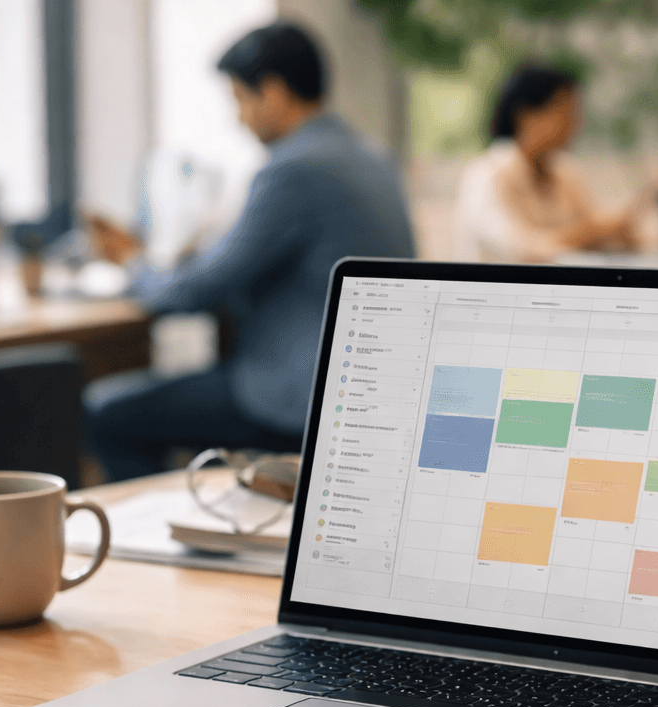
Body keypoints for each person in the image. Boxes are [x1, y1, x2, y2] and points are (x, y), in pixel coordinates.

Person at [83, 22, 415, 481]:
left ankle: (147, 539)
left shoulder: (293, 170)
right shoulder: (373, 158)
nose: (238, 118)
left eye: (239, 99)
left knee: (107, 411)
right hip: (370, 393)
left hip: (299, 398)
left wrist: (131, 263)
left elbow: (194, 290)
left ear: (273, 93)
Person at [453, 66, 639, 263]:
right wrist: (585, 234)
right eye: (564, 113)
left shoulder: (565, 171)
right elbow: (514, 248)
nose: (574, 125)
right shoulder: (485, 175)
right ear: (526, 116)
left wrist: (614, 234)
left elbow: (597, 231)